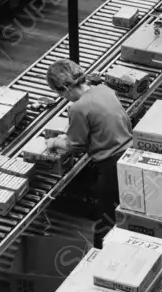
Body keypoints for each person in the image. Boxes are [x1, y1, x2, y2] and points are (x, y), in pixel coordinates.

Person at [44, 60, 133, 248]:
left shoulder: (78, 108)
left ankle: (101, 256)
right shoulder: (104, 90)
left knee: (106, 219)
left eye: (59, 93)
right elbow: (102, 120)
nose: (61, 97)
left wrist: (53, 142)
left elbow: (76, 146)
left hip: (111, 166)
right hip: (130, 155)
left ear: (66, 88)